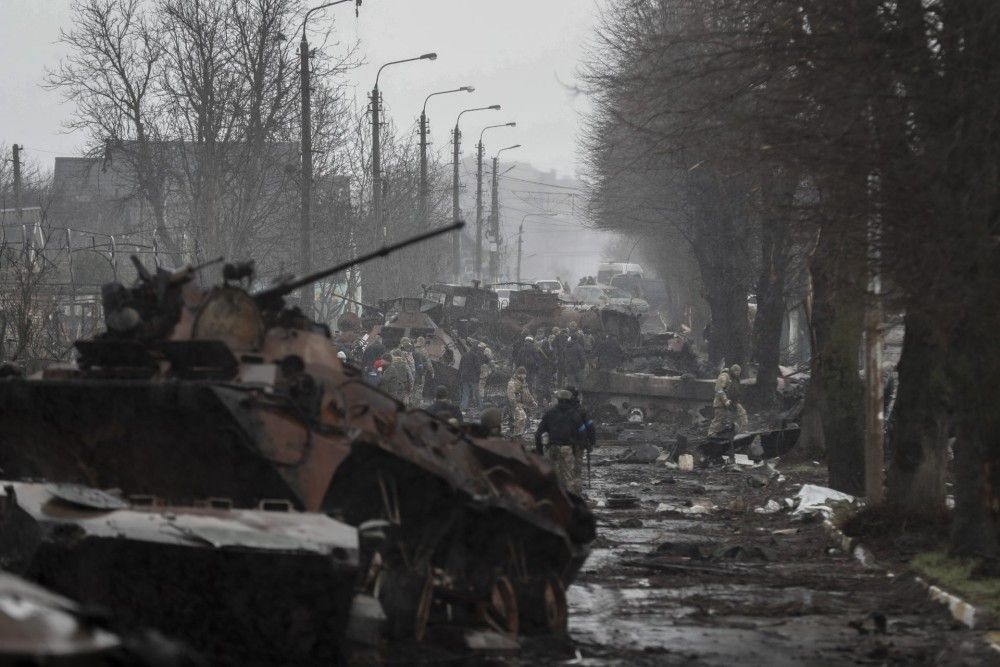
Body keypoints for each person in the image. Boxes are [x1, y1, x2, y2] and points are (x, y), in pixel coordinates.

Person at [535, 389, 590, 495]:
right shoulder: (574, 414)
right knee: (568, 478)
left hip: (551, 448)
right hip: (567, 449)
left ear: (558, 400)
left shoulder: (550, 413)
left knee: (548, 476)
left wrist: (540, 451)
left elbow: (538, 434)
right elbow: (582, 432)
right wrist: (580, 447)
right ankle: (570, 503)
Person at [708, 364, 749, 436]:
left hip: (733, 401)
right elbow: (719, 389)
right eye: (736, 371)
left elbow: (736, 390)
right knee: (719, 418)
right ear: (732, 371)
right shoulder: (724, 376)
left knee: (742, 413)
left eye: (739, 372)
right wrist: (725, 400)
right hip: (721, 402)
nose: (737, 373)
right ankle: (711, 434)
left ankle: (743, 432)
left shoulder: (736, 378)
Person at [506, 366, 537, 437]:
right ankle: (516, 434)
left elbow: (527, 393)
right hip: (515, 404)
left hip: (523, 404)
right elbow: (511, 396)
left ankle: (519, 434)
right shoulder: (512, 383)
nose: (524, 376)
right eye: (523, 374)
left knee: (524, 419)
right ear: (518, 374)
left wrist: (532, 401)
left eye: (525, 374)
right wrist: (515, 406)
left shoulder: (523, 383)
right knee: (521, 418)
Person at [457, 344, 483, 410]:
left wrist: (459, 377)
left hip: (465, 377)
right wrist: (478, 375)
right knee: (476, 393)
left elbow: (460, 367)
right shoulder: (475, 356)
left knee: (465, 393)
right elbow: (478, 368)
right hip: (473, 378)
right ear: (476, 350)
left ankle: (464, 408)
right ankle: (480, 407)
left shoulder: (464, 355)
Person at [411, 336, 435, 406]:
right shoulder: (423, 351)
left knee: (411, 387)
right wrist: (432, 371)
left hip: (411, 371)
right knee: (419, 388)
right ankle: (415, 404)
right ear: (422, 342)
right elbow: (428, 363)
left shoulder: (412, 349)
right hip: (420, 372)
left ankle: (409, 402)